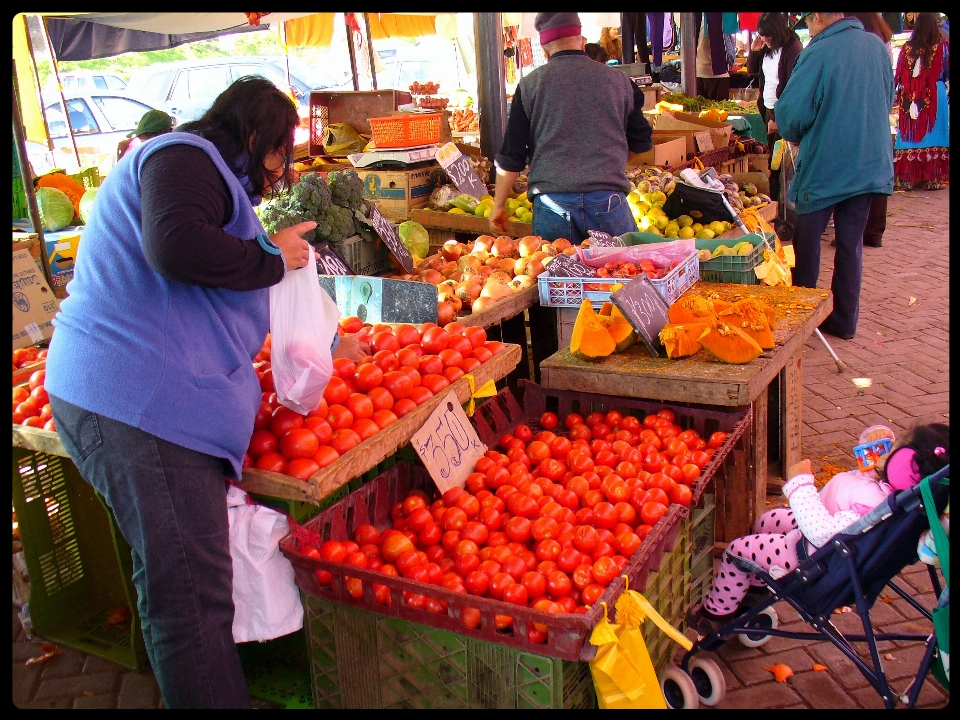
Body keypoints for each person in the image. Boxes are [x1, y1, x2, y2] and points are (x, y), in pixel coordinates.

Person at [45, 76, 366, 709]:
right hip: (138, 406)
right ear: (253, 135)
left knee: (184, 585)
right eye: (279, 153)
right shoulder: (179, 156)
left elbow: (214, 274)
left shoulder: (203, 174)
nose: (280, 171)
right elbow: (178, 247)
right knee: (190, 596)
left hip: (151, 405)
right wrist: (272, 261)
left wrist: (316, 334)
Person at [489, 11, 652, 372]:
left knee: (552, 298)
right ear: (581, 39)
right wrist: (609, 166)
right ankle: (627, 378)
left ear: (545, 47)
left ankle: (555, 378)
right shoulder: (618, 82)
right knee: (623, 291)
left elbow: (511, 158)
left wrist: (499, 204)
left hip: (552, 206)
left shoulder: (530, 86)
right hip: (609, 204)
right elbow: (644, 148)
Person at [688, 422, 950, 633]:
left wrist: (800, 482)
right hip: (832, 540)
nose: (892, 449)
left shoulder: (869, 507)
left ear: (904, 466)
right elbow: (872, 462)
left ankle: (716, 616)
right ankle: (754, 591)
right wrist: (876, 441)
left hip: (815, 560)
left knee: (737, 551)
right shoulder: (902, 495)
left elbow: (821, 532)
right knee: (766, 522)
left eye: (900, 449)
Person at [774, 13, 894, 341]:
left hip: (827, 164)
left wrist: (793, 132)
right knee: (850, 244)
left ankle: (801, 318)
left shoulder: (817, 52)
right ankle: (842, 321)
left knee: (807, 242)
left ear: (816, 18)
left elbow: (791, 115)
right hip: (869, 161)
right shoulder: (876, 46)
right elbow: (888, 101)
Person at [746, 13, 803, 205]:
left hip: (784, 112)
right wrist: (754, 51)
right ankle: (776, 203)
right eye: (761, 35)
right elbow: (752, 71)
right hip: (768, 107)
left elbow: (791, 85)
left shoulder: (792, 48)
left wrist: (778, 118)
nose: (764, 39)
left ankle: (783, 205)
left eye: (767, 35)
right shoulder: (767, 48)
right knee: (774, 158)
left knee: (781, 162)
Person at [893, 12, 950, 191]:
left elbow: (900, 77)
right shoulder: (943, 47)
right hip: (935, 94)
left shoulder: (906, 49)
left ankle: (907, 179)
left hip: (909, 96)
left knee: (909, 137)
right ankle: (932, 179)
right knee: (935, 133)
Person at [695, 13, 732, 101]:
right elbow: (729, 51)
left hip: (701, 73)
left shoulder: (696, 21)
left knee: (701, 111)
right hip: (715, 75)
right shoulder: (721, 21)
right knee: (718, 111)